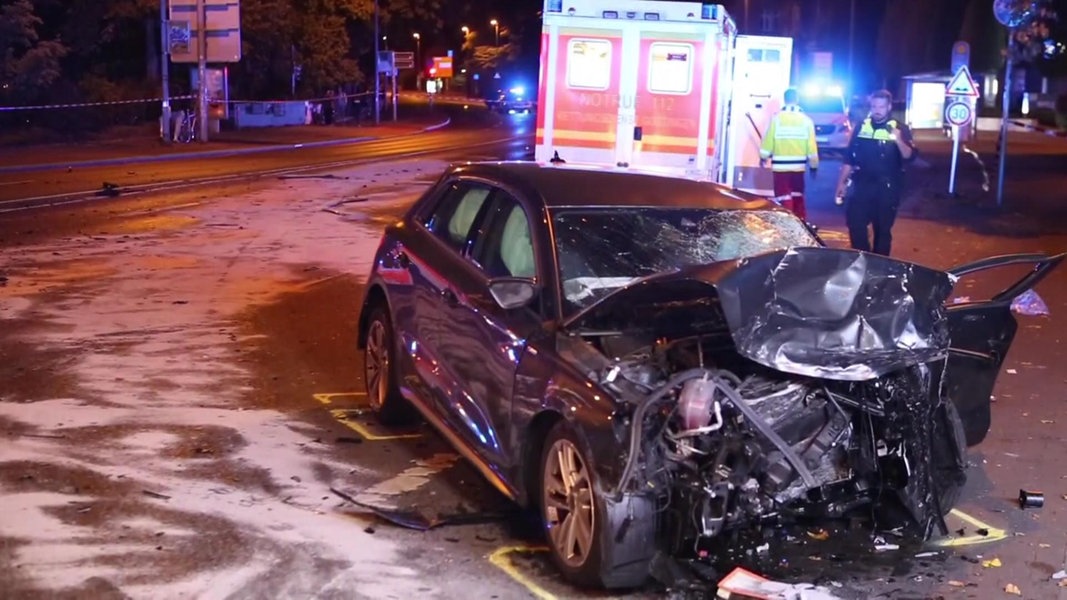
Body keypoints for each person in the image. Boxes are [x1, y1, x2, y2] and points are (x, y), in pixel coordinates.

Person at [834, 89, 918, 256]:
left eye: (881, 106)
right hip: (862, 185)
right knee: (855, 223)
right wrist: (841, 184)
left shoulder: (900, 128)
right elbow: (849, 158)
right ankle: (863, 260)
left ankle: (879, 267)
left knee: (882, 231)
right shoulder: (861, 127)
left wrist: (899, 139)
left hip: (887, 188)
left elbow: (909, 156)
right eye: (874, 106)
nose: (877, 110)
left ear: (889, 107)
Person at [759, 87, 819, 221]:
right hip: (799, 168)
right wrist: (814, 166)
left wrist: (763, 157)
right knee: (798, 195)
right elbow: (812, 146)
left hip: (780, 168)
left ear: (784, 100)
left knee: (783, 197)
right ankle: (800, 222)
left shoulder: (777, 119)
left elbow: (768, 141)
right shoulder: (806, 121)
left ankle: (786, 223)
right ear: (797, 100)